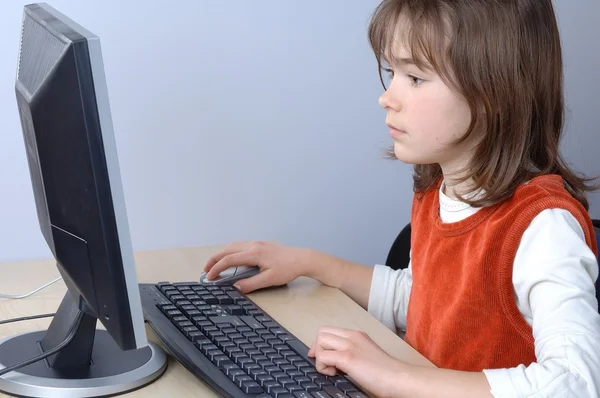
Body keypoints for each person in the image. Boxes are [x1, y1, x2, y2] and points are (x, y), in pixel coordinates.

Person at [203, 0, 600, 397]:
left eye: (415, 77)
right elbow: (424, 299)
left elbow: (576, 383)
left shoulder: (543, 226)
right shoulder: (438, 189)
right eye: (392, 72)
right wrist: (309, 263)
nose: (387, 97)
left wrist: (391, 375)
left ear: (495, 91)